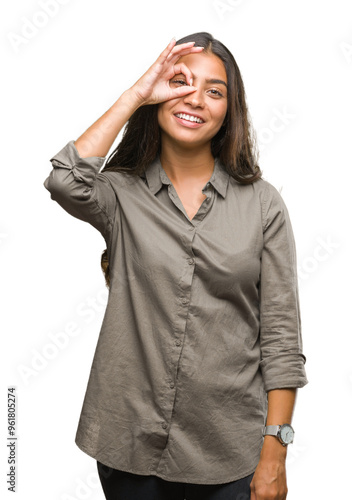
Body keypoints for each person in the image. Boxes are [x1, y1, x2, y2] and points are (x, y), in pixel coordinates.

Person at [44, 32, 308, 500]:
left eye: (214, 91)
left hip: (230, 454)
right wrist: (137, 93)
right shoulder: (121, 195)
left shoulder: (263, 205)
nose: (195, 100)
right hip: (129, 448)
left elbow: (282, 339)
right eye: (181, 82)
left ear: (230, 110)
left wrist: (276, 452)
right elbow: (65, 180)